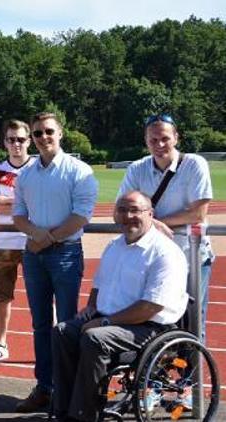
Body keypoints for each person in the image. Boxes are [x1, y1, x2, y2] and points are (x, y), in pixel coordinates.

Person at [52, 191, 188, 422]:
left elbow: (149, 307)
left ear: (150, 214)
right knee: (63, 332)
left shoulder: (165, 253)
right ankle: (63, 410)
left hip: (148, 327)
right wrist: (91, 307)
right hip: (111, 320)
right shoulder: (115, 245)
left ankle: (85, 415)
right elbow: (99, 284)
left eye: (135, 210)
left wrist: (104, 321)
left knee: (95, 338)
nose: (128, 216)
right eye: (122, 210)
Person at [13, 112, 99, 412]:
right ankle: (45, 388)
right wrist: (36, 236)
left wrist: (45, 239)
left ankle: (68, 391)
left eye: (48, 131)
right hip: (34, 256)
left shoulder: (79, 170)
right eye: (37, 133)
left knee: (65, 325)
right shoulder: (26, 174)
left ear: (60, 134)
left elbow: (81, 215)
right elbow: (18, 215)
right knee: (39, 325)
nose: (43, 137)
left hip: (64, 253)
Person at [117, 113, 213, 341]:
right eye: (153, 140)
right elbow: (120, 211)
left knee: (192, 320)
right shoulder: (137, 169)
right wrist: (154, 223)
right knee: (155, 318)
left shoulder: (194, 164)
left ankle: (192, 376)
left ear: (176, 137)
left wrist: (151, 222)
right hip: (153, 257)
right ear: (145, 140)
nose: (159, 145)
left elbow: (198, 213)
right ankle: (159, 372)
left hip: (191, 255)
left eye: (165, 138)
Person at [0, 120, 34, 363]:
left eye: (21, 139)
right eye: (11, 139)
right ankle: (1, 342)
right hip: (3, 242)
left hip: (33, 240)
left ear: (29, 140)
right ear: (4, 142)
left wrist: (8, 202)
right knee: (2, 296)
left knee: (41, 295)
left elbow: (40, 202)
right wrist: (24, 202)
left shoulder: (38, 168)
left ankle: (50, 341)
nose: (16, 144)